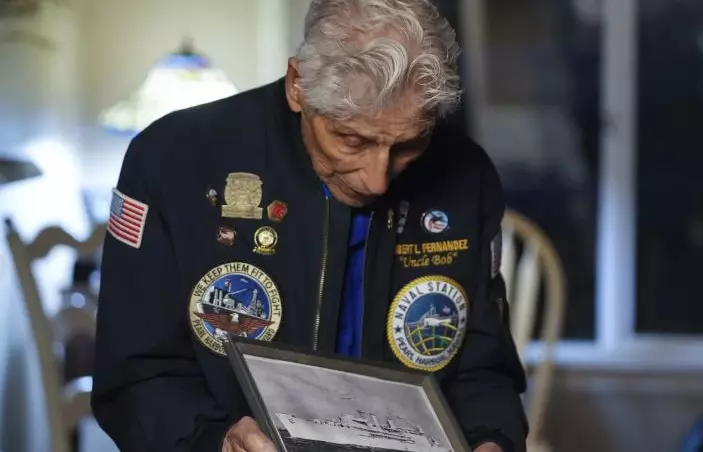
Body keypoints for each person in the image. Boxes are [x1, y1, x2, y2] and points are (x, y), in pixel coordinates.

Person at [91, 1, 528, 451]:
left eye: (407, 145)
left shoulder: (467, 176)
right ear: (297, 85)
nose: (377, 180)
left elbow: (483, 369)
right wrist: (216, 440)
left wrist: (491, 440)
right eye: (351, 140)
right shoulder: (172, 161)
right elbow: (136, 376)